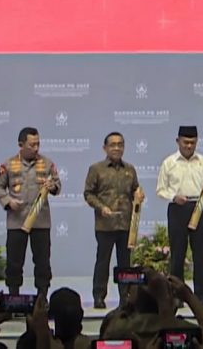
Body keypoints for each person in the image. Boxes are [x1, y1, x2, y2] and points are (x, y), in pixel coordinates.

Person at [0, 126, 61, 298]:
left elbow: (57, 185)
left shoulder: (47, 163)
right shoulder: (8, 164)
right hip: (17, 221)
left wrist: (52, 186)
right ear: (21, 144)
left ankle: (42, 296)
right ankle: (14, 295)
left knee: (42, 262)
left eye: (38, 144)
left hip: (40, 220)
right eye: (32, 145)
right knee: (14, 262)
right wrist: (8, 201)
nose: (36, 148)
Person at [155, 125, 203, 306]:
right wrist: (174, 197)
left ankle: (200, 297)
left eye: (192, 142)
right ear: (178, 141)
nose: (189, 146)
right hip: (177, 208)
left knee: (200, 254)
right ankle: (177, 296)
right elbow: (160, 190)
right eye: (185, 142)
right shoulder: (169, 162)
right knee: (177, 253)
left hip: (199, 207)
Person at [83, 131, 142, 309]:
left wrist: (139, 194)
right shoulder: (96, 169)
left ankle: (125, 297)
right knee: (103, 262)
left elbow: (135, 189)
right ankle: (99, 296)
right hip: (105, 225)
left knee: (125, 263)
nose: (117, 148)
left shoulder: (130, 169)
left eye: (120, 145)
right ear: (105, 148)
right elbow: (88, 194)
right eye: (113, 145)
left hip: (125, 224)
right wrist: (101, 207)